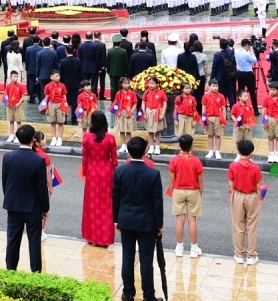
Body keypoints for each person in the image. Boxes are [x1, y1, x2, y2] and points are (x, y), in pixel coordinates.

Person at [113, 135, 163, 301]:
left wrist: (116, 219)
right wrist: (159, 224)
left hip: (126, 219)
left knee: (127, 256)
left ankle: (128, 292)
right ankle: (149, 295)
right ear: (145, 151)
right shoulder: (153, 174)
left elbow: (116, 197)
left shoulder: (120, 171)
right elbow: (157, 202)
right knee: (146, 259)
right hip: (146, 222)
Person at [2, 123, 51, 273]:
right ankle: (35, 273)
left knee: (12, 240)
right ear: (33, 139)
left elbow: (5, 182)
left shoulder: (8, 157)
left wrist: (10, 199)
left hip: (13, 204)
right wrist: (45, 208)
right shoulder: (38, 160)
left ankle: (11, 270)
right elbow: (42, 187)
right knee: (34, 241)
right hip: (33, 207)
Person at [80, 110, 117, 248]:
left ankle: (92, 237)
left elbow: (84, 159)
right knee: (106, 205)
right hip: (106, 170)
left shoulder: (87, 138)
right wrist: (116, 174)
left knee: (92, 204)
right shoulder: (110, 138)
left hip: (92, 171)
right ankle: (104, 238)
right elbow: (114, 160)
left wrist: (85, 172)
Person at [169, 133, 204, 258]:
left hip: (178, 190)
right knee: (192, 220)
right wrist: (200, 192)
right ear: (192, 146)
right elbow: (200, 180)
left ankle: (179, 247)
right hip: (193, 190)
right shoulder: (196, 161)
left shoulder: (174, 160)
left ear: (179, 145)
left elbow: (172, 179)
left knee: (179, 220)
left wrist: (173, 191)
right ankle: (194, 248)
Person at [228, 138, 262, 264]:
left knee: (238, 225)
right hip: (252, 195)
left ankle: (239, 254)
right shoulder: (256, 168)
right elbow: (258, 186)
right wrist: (259, 199)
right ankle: (251, 255)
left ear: (238, 151)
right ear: (251, 152)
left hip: (237, 194)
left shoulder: (233, 166)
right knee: (251, 226)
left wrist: (234, 195)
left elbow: (231, 183)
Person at [202, 79, 228, 159]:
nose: (215, 88)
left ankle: (217, 152)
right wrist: (204, 119)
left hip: (218, 118)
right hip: (209, 118)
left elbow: (223, 108)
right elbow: (204, 108)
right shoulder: (205, 96)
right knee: (210, 135)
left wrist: (224, 120)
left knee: (218, 135)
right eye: (213, 86)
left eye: (216, 86)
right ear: (209, 87)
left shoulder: (221, 96)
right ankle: (210, 151)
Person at [263, 81, 278, 163]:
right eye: (270, 90)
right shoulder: (267, 99)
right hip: (269, 119)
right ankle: (271, 154)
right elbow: (264, 111)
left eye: (273, 90)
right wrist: (264, 122)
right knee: (270, 137)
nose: (271, 91)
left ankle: (277, 154)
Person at [42, 69, 68, 147]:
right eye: (56, 76)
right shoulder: (47, 86)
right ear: (51, 77)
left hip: (60, 104)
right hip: (51, 104)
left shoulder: (62, 86)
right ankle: (54, 138)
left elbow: (64, 97)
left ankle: (60, 138)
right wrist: (46, 108)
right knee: (52, 122)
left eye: (59, 75)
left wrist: (64, 108)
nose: (58, 77)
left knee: (61, 122)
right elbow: (46, 97)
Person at [113, 76, 138, 154]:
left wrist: (131, 112)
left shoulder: (132, 93)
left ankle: (128, 145)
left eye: (128, 83)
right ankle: (123, 145)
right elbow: (115, 103)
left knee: (128, 131)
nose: (127, 85)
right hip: (121, 113)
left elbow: (135, 103)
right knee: (122, 130)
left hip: (129, 112)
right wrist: (117, 112)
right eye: (125, 83)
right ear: (121, 84)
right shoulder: (118, 93)